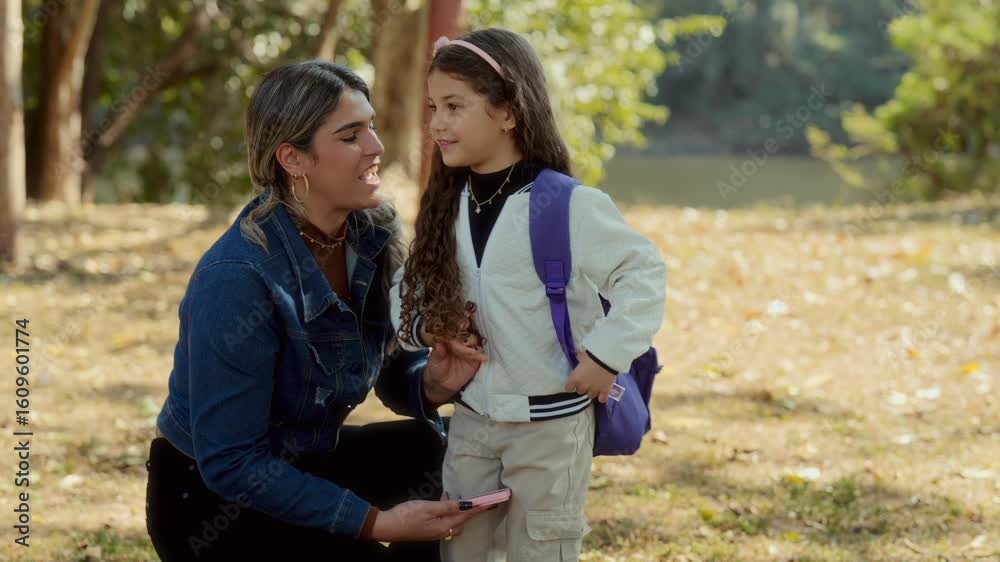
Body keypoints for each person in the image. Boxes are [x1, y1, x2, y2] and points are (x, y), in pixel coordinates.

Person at [144, 60, 490, 562]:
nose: (376, 146)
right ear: (293, 158)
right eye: (350, 136)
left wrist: (432, 382)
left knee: (452, 450)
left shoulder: (371, 232)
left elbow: (392, 372)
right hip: (210, 506)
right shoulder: (238, 277)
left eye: (371, 127)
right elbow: (232, 463)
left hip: (306, 461)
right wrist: (375, 523)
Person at [391, 28, 667, 562]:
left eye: (454, 106)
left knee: (540, 549)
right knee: (462, 549)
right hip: (472, 424)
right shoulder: (447, 203)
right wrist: (429, 328)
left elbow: (643, 273)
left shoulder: (567, 205)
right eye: (433, 107)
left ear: (509, 111)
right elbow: (405, 292)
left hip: (552, 431)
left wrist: (606, 356)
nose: (437, 123)